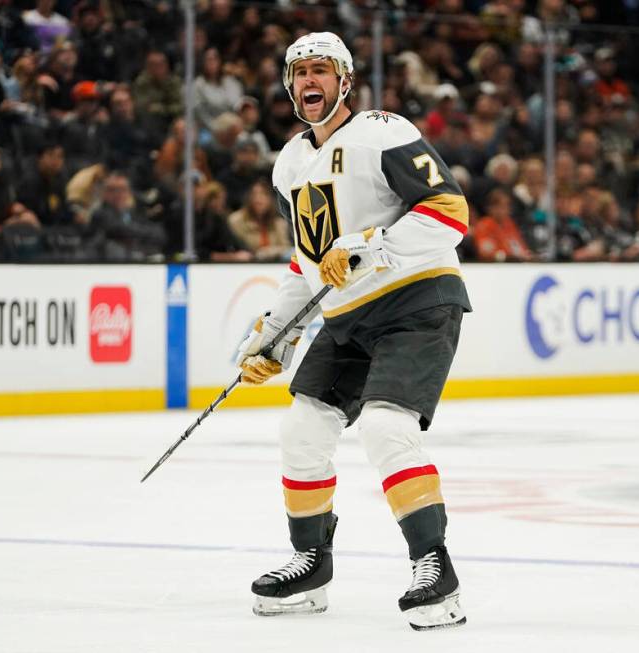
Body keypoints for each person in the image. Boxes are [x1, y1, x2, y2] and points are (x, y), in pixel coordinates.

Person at [238, 32, 470, 630]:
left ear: (345, 81)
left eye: (321, 70)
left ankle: (435, 571)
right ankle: (311, 564)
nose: (308, 81)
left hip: (417, 303)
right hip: (349, 318)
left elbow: (450, 212)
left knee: (388, 427)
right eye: (299, 72)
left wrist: (373, 246)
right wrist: (274, 336)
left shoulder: (381, 130)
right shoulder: (290, 161)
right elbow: (307, 265)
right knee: (302, 429)